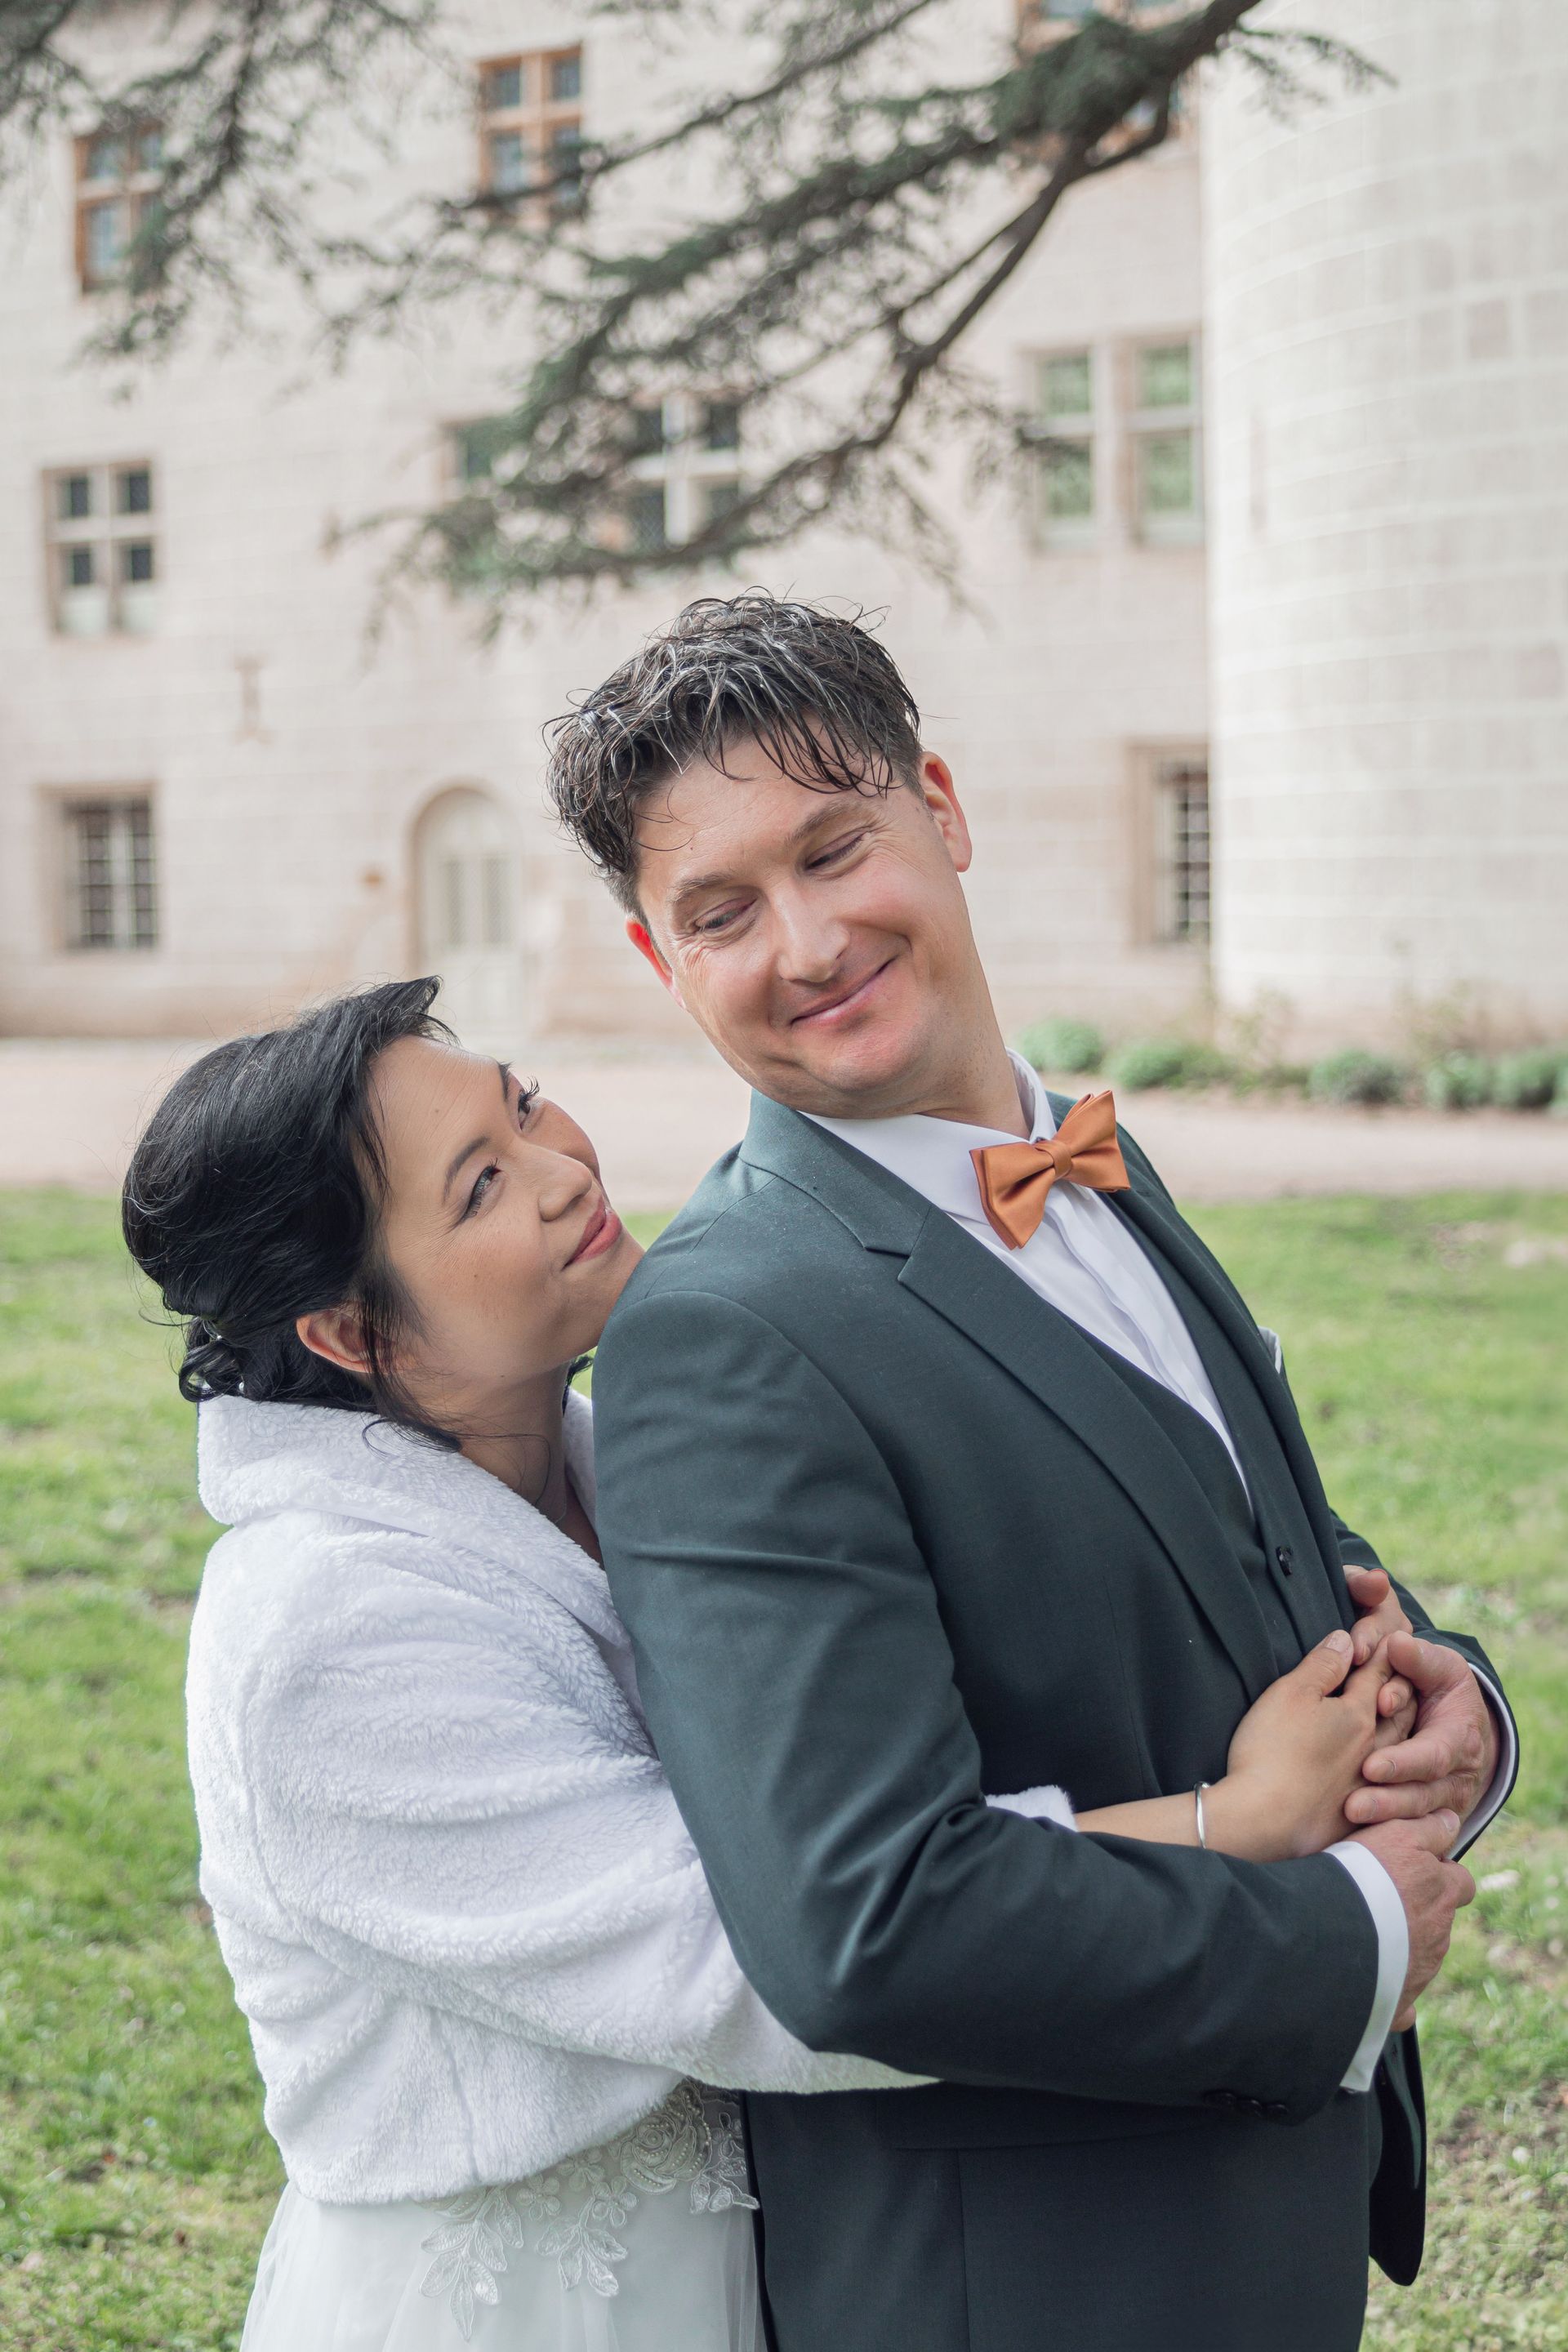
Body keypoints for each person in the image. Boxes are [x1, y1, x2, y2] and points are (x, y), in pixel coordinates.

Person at [125, 978, 1448, 2352]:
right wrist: (1231, 1824)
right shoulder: (325, 1641)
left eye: (521, 1107)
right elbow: (766, 1960)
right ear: (351, 1332)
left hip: (786, 2247)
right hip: (539, 2299)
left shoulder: (607, 1453)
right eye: (478, 1190)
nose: (564, 1170)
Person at [546, 592, 1519, 2352]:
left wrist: (1440, 1693)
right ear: (657, 962)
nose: (809, 939)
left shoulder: (1084, 1152)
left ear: (945, 807)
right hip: (1035, 2280)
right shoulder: (723, 1333)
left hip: (1243, 2233)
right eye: (721, 911)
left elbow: (1202, 1526)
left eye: (836, 848)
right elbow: (863, 1920)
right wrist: (1348, 1940)